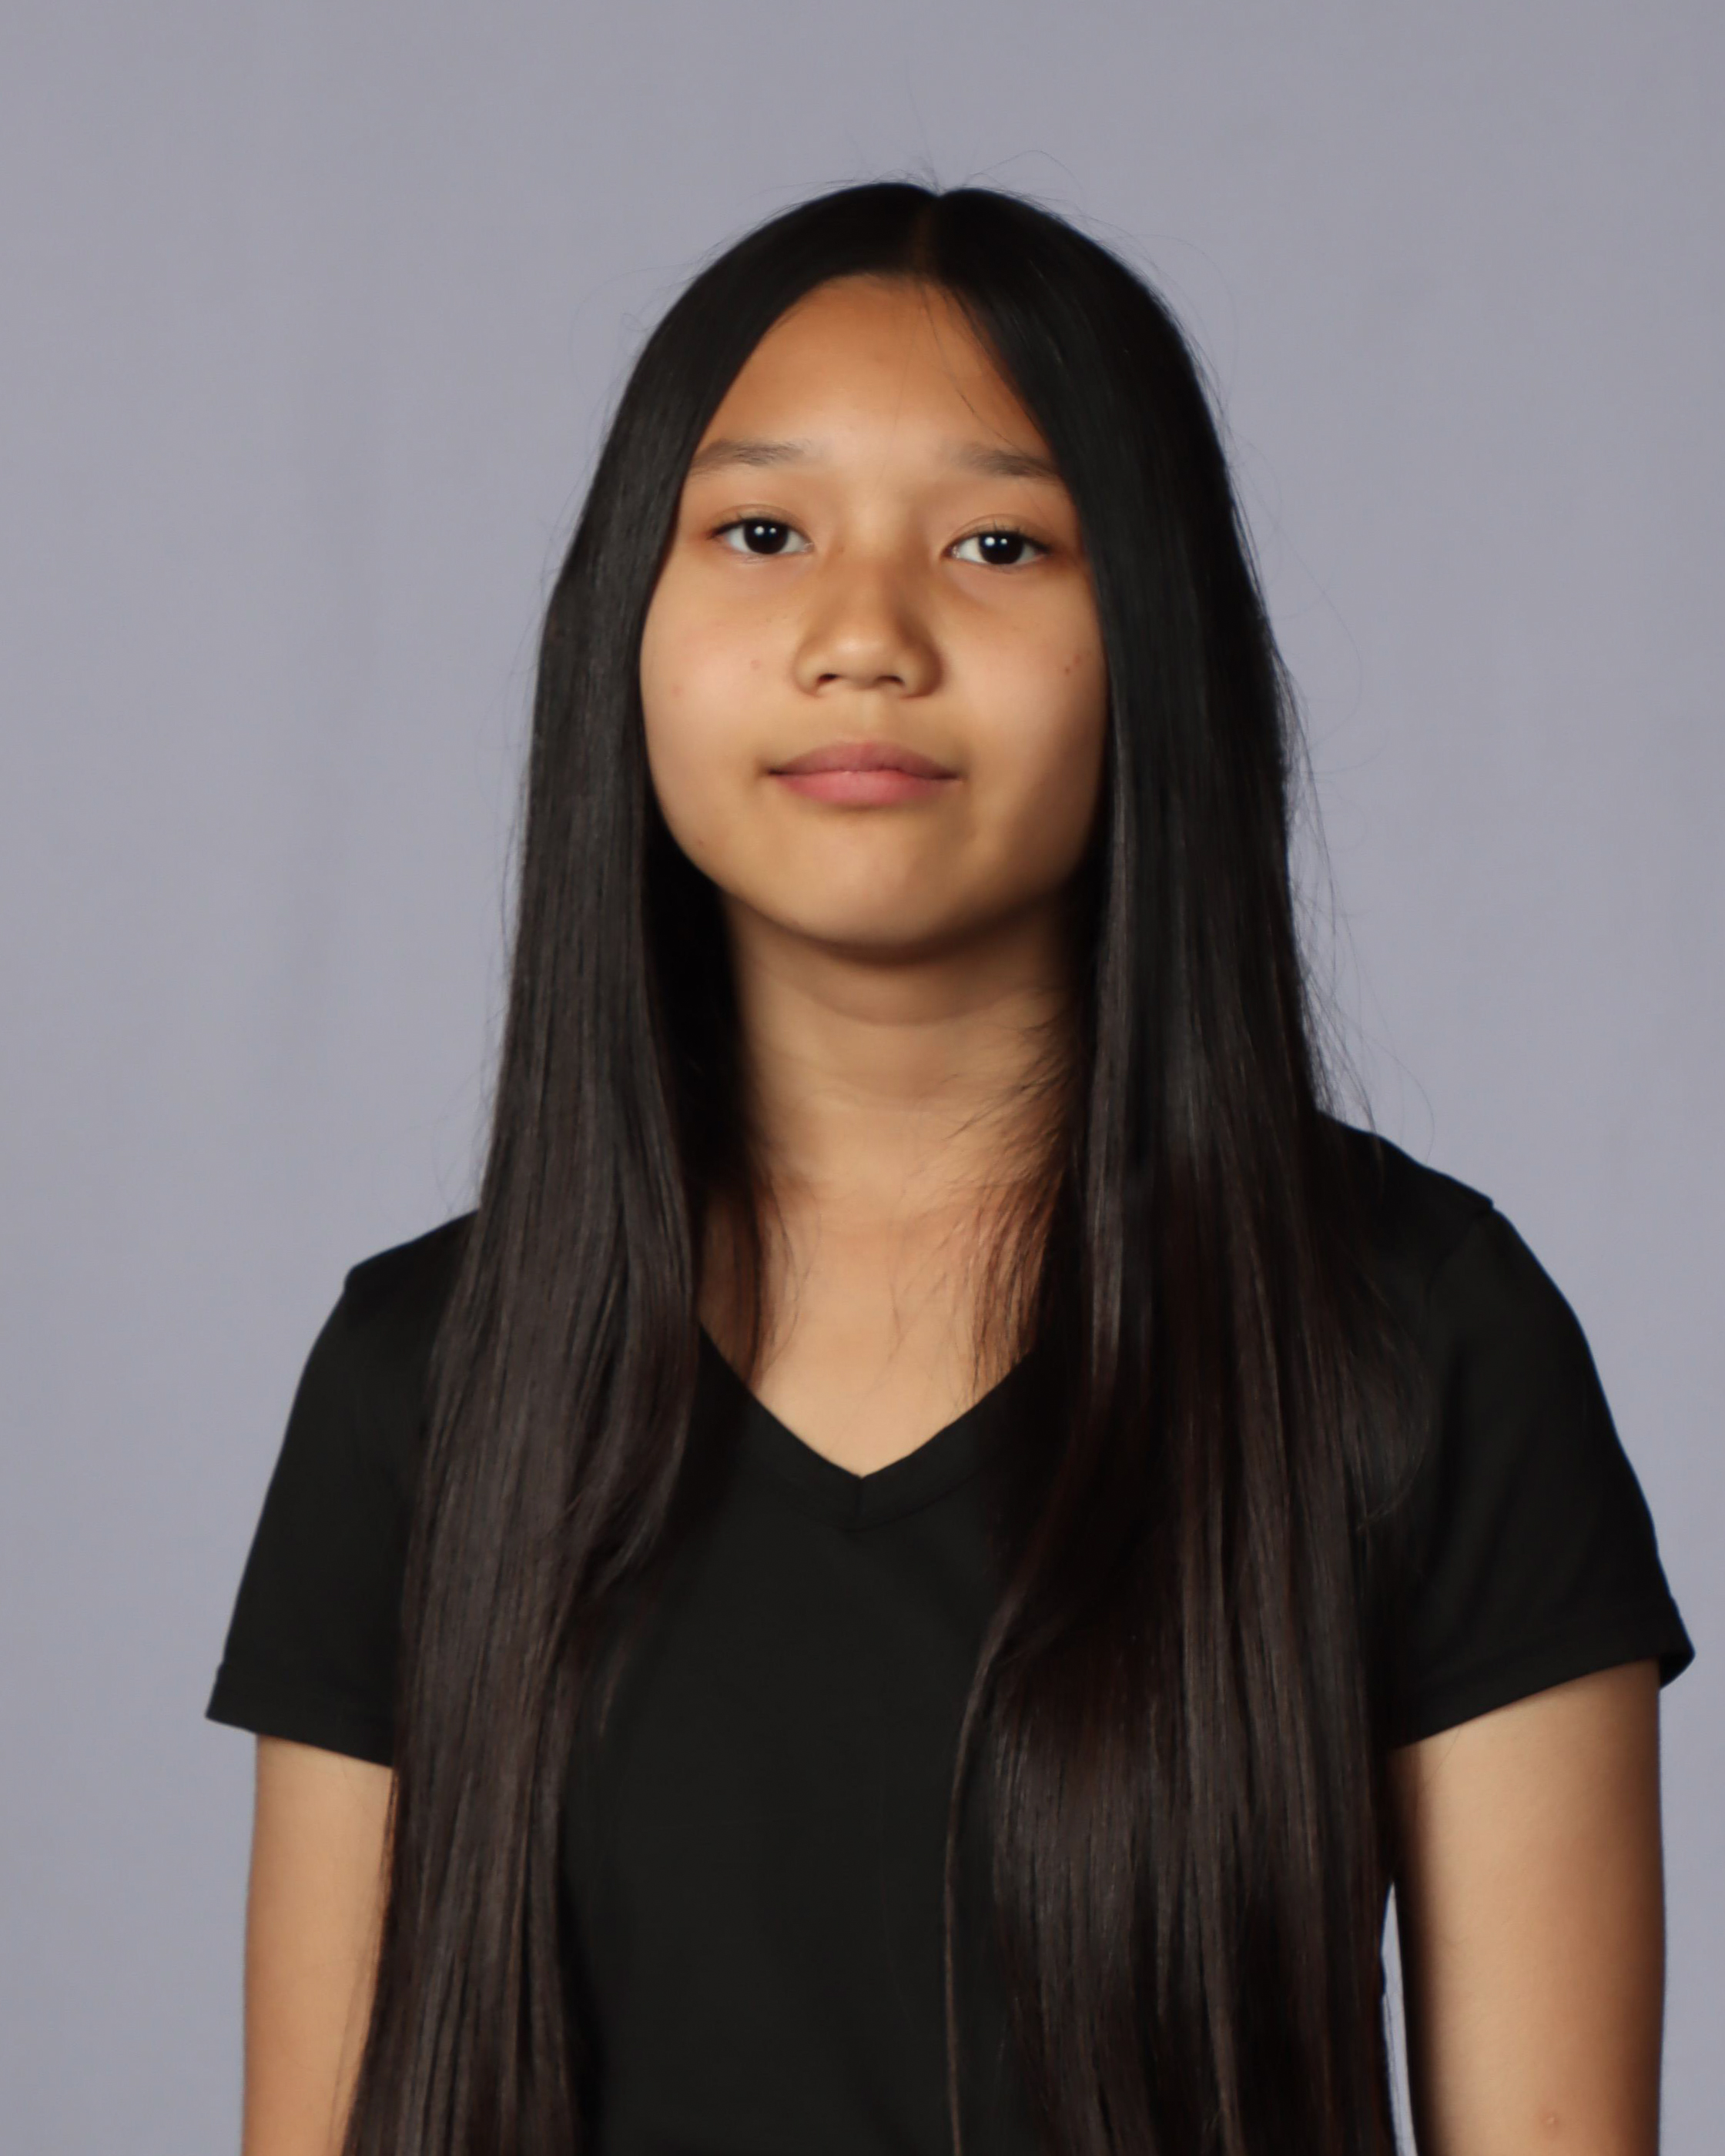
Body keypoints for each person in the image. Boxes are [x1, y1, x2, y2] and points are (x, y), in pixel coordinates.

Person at [206, 182, 1693, 2156]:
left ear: (1150, 638)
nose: (863, 637)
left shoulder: (1415, 1336)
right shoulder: (426, 1379)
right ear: (624, 624)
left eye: (999, 543)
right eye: (760, 532)